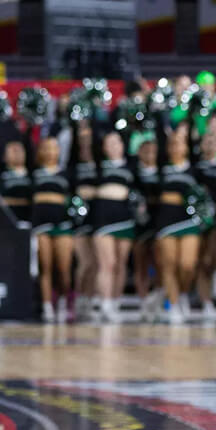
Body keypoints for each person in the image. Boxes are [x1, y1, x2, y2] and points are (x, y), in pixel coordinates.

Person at [155, 126, 203, 324]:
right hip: (166, 221)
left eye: (179, 143)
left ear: (186, 147)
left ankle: (183, 293)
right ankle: (173, 305)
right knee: (169, 265)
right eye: (172, 143)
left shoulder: (195, 170)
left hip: (188, 220)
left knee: (187, 265)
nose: (175, 147)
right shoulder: (161, 168)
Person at [90, 131, 135, 323]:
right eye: (109, 143)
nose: (114, 146)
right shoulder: (98, 166)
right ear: (103, 148)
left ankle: (115, 302)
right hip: (103, 218)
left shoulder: (131, 166)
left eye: (117, 142)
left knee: (120, 264)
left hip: (124, 217)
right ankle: (105, 303)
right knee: (106, 263)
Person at [31, 138, 75, 323]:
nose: (50, 152)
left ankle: (64, 300)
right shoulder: (34, 173)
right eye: (46, 148)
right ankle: (47, 305)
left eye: (54, 148)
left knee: (63, 268)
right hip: (41, 225)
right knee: (45, 266)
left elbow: (73, 198)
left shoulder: (66, 174)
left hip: (62, 224)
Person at [194, 132, 216, 320]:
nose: (209, 144)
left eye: (213, 141)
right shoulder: (196, 168)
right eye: (206, 141)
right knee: (202, 261)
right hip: (200, 217)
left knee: (212, 257)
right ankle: (206, 301)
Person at [132, 137, 164, 322]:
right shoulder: (135, 173)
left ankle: (158, 298)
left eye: (153, 151)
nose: (149, 155)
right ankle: (143, 301)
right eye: (146, 151)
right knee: (141, 262)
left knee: (160, 262)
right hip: (140, 221)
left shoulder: (162, 172)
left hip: (159, 220)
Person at [69, 124, 98, 321]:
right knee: (85, 262)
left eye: (89, 138)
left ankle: (88, 300)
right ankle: (77, 298)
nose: (86, 142)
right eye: (82, 138)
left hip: (98, 217)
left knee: (95, 264)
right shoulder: (73, 166)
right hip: (78, 220)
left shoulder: (99, 165)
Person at [0, 140, 32, 225]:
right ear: (4, 157)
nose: (17, 152)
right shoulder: (0, 177)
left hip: (31, 222)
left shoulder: (34, 175)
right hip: (7, 222)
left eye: (20, 150)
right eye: (13, 150)